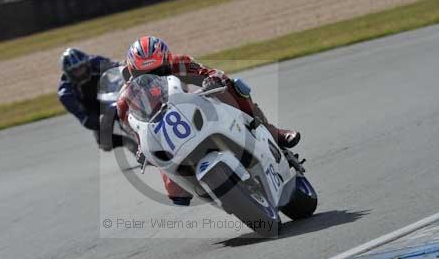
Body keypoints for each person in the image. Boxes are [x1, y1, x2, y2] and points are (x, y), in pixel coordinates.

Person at [117, 36, 301, 206]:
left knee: (234, 86)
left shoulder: (179, 64)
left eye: (160, 70)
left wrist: (213, 79)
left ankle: (271, 131)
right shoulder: (125, 100)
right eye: (145, 73)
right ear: (132, 71)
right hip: (165, 135)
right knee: (176, 194)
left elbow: (210, 73)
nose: (155, 76)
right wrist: (141, 148)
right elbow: (137, 131)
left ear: (167, 61)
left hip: (191, 109)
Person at [57, 48, 124, 149]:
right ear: (68, 72)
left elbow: (120, 68)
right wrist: (102, 121)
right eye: (75, 70)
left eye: (81, 67)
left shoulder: (96, 62)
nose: (80, 72)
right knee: (104, 142)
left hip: (112, 97)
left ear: (87, 63)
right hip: (94, 111)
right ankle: (129, 143)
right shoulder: (66, 94)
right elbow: (85, 119)